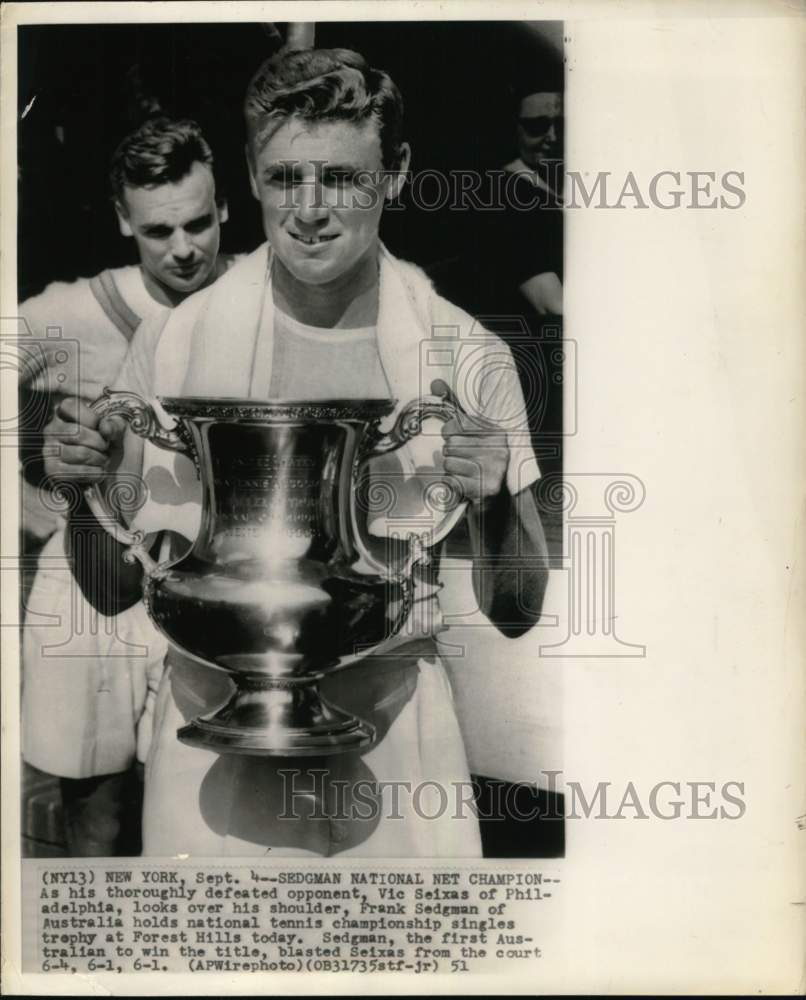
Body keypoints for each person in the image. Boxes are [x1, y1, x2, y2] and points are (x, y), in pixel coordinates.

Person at [45, 48, 549, 857]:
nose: (309, 209)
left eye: (342, 177)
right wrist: (81, 489)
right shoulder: (175, 342)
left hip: (398, 746)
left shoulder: (467, 354)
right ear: (249, 173)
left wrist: (491, 504)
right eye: (284, 178)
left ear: (395, 172)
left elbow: (517, 611)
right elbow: (110, 593)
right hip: (209, 745)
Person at [22, 116, 236, 855]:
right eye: (157, 232)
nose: (183, 249)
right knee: (98, 811)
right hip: (91, 584)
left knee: (200, 811)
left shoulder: (257, 297)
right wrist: (32, 503)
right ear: (122, 220)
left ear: (224, 207)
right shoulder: (63, 314)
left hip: (205, 580)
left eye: (198, 223)